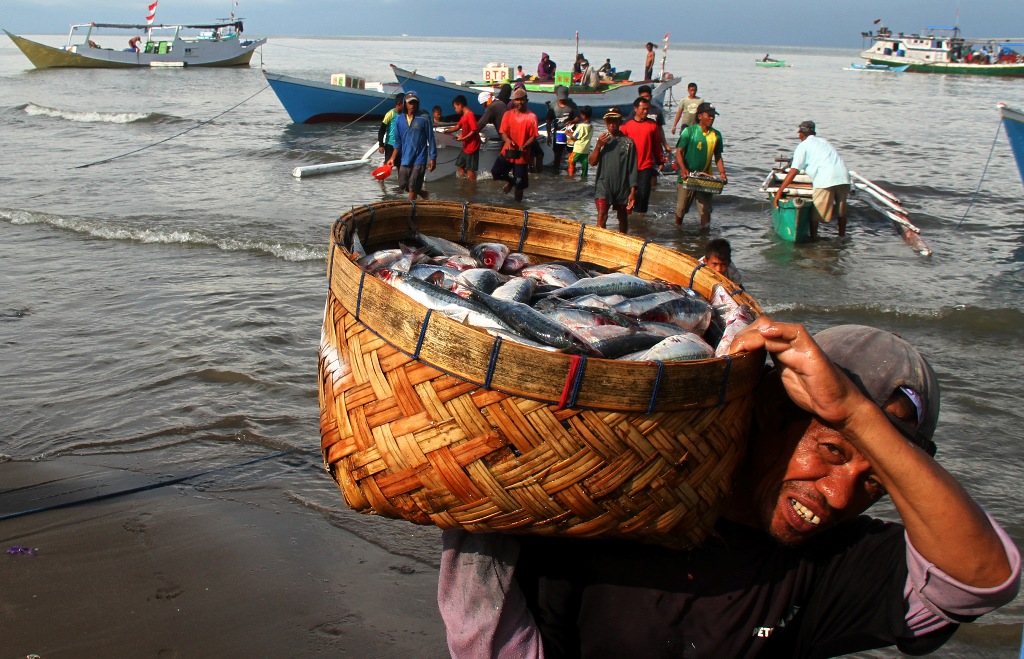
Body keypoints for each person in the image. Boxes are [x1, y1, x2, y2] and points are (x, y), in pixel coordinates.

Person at [437, 319, 1021, 658]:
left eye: (877, 481)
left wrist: (853, 417)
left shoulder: (831, 563)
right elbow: (490, 632)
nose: (841, 496)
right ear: (768, 409)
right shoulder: (615, 496)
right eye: (832, 452)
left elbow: (980, 579)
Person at [772, 120, 851, 239]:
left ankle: (813, 239)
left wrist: (779, 192)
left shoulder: (803, 145)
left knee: (816, 214)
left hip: (826, 178)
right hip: (843, 176)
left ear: (801, 134)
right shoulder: (824, 142)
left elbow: (794, 170)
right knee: (841, 210)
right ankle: (842, 236)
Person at [675, 102, 727, 230]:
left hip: (705, 177)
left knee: (705, 210)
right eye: (708, 115)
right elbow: (679, 152)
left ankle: (704, 234)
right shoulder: (689, 132)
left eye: (713, 116)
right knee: (681, 208)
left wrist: (722, 173)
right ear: (699, 116)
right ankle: (677, 229)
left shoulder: (716, 135)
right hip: (687, 176)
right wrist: (683, 169)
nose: (711, 118)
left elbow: (718, 156)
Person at [589, 109, 637, 234]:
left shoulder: (628, 143)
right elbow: (592, 162)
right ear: (605, 122)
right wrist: (598, 146)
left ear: (620, 122)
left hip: (622, 186)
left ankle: (623, 240)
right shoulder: (602, 141)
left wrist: (632, 192)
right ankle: (600, 242)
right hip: (603, 185)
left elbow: (632, 169)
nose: (612, 124)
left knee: (622, 217)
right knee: (602, 214)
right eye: (609, 121)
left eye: (615, 121)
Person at [385, 90, 436, 201]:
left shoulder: (424, 118)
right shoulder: (399, 120)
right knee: (403, 185)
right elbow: (397, 142)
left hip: (420, 158)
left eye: (414, 102)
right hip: (406, 158)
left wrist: (433, 158)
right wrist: (392, 158)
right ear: (405, 103)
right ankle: (422, 193)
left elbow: (431, 139)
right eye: (409, 102)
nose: (412, 105)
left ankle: (410, 212)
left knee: (412, 186)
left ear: (418, 103)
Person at [492, 87, 539, 202]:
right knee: (496, 172)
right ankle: (510, 181)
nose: (519, 102)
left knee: (520, 185)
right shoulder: (508, 115)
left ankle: (518, 208)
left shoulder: (531, 117)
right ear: (513, 101)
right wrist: (507, 140)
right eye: (517, 100)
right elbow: (503, 132)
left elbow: (533, 136)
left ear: (526, 101)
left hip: (522, 155)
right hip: (507, 151)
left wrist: (524, 146)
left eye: (522, 100)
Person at [619, 96, 663, 219]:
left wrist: (660, 160)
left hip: (646, 166)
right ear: (635, 109)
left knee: (643, 195)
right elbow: (621, 148)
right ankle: (626, 218)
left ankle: (639, 220)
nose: (645, 111)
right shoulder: (626, 126)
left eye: (647, 109)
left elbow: (656, 145)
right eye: (643, 109)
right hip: (629, 167)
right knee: (627, 195)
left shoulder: (652, 126)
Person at [444, 94, 481, 181]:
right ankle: (465, 183)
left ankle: (472, 187)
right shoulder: (464, 116)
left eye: (455, 107)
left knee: (470, 170)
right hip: (466, 146)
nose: (455, 109)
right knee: (459, 165)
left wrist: (463, 138)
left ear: (460, 105)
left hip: (472, 146)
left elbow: (474, 130)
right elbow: (457, 127)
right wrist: (446, 132)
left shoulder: (470, 115)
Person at [545, 86, 579, 173]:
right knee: (557, 153)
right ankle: (556, 171)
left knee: (571, 153)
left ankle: (571, 171)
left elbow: (578, 118)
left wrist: (572, 121)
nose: (562, 100)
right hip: (558, 133)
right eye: (560, 99)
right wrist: (549, 135)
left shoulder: (572, 106)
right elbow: (548, 121)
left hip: (570, 133)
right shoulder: (553, 107)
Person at [377, 92, 405, 164]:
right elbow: (382, 130)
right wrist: (381, 145)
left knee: (401, 166)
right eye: (404, 104)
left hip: (401, 145)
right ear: (399, 104)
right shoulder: (390, 114)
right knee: (388, 165)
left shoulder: (405, 115)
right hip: (390, 144)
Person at [566, 105, 593, 179]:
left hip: (578, 148)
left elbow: (575, 136)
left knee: (571, 161)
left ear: (583, 115)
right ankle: (584, 178)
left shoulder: (581, 126)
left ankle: (570, 177)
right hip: (586, 150)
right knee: (585, 166)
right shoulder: (591, 126)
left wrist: (568, 133)